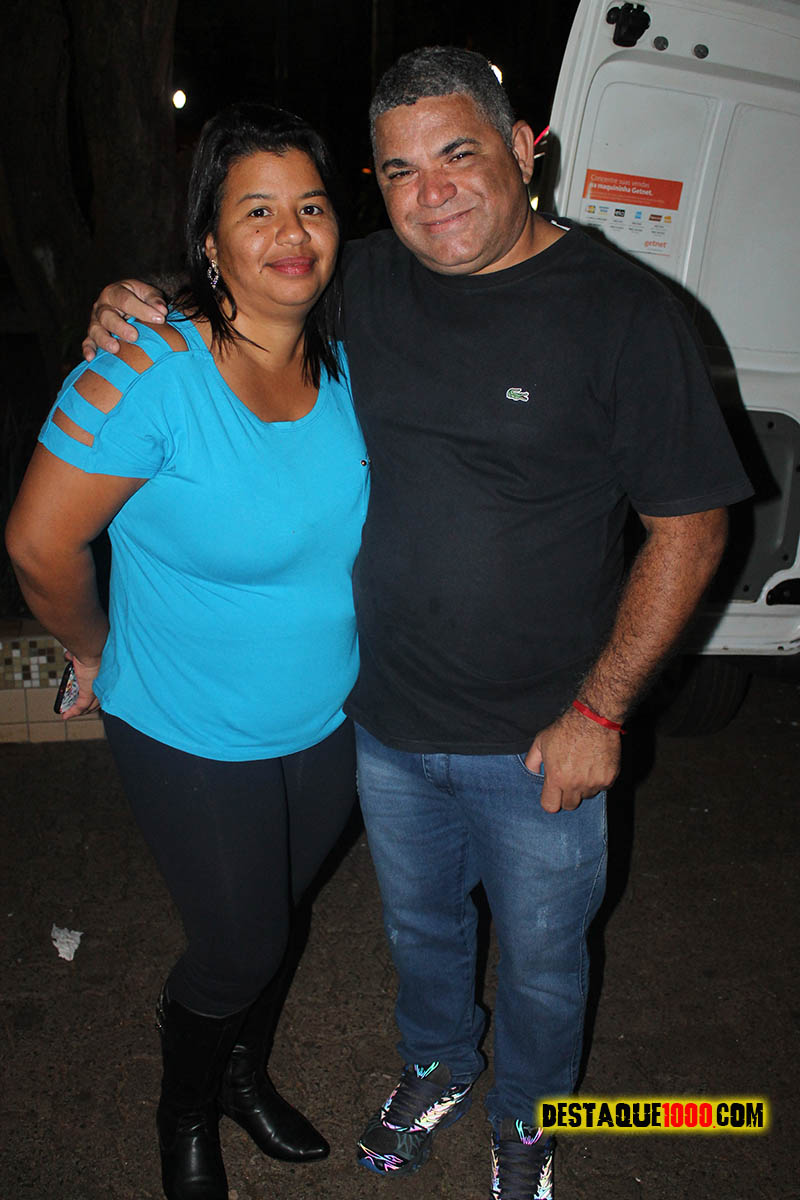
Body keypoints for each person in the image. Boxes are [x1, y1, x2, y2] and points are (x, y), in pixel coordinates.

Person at [82, 47, 752, 1200]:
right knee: (423, 937)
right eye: (397, 171)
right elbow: (246, 281)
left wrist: (600, 712)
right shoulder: (365, 282)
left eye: (456, 155)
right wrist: (129, 296)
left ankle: (529, 1122)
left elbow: (689, 528)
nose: (430, 192)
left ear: (524, 151)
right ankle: (438, 1064)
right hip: (384, 726)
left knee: (542, 967)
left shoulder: (623, 314)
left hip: (542, 736)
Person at [6, 104, 370, 1200]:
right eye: (256, 211)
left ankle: (243, 1076)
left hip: (330, 716)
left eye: (311, 206)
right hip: (188, 724)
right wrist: (95, 650)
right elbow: (37, 543)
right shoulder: (143, 369)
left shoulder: (348, 360)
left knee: (275, 924)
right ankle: (186, 1111)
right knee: (237, 944)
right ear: (208, 240)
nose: (291, 232)